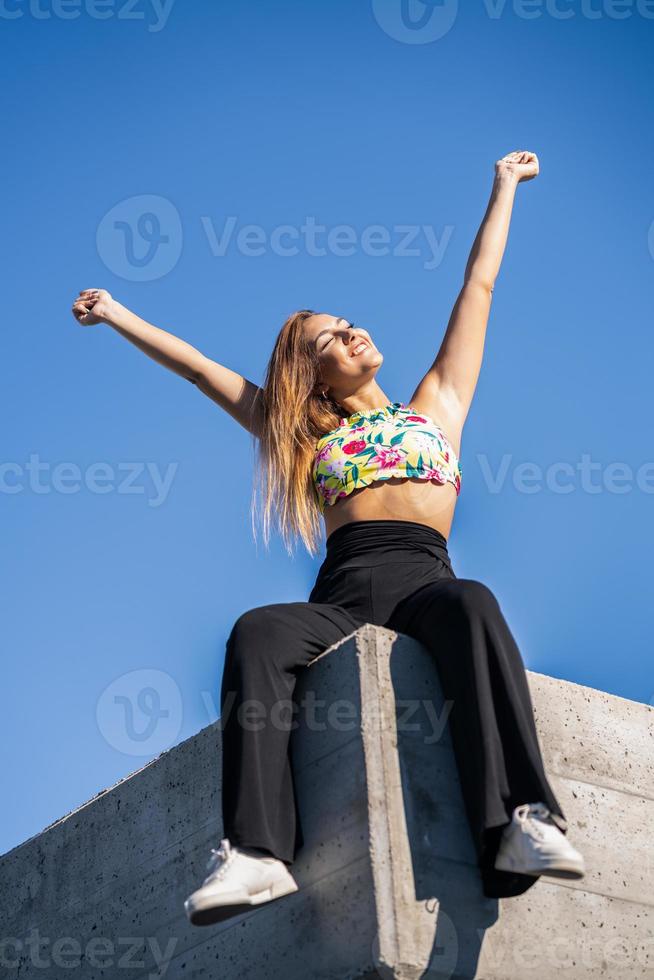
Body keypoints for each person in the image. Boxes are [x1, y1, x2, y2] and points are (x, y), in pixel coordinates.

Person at [71, 150, 585, 927]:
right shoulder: (307, 441)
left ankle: (521, 822)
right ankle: (258, 853)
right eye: (328, 341)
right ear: (313, 381)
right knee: (258, 630)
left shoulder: (435, 407)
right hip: (344, 590)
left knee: (474, 605)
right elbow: (202, 372)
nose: (350, 333)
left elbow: (478, 284)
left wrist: (503, 185)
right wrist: (116, 314)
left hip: (426, 579)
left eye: (346, 323)